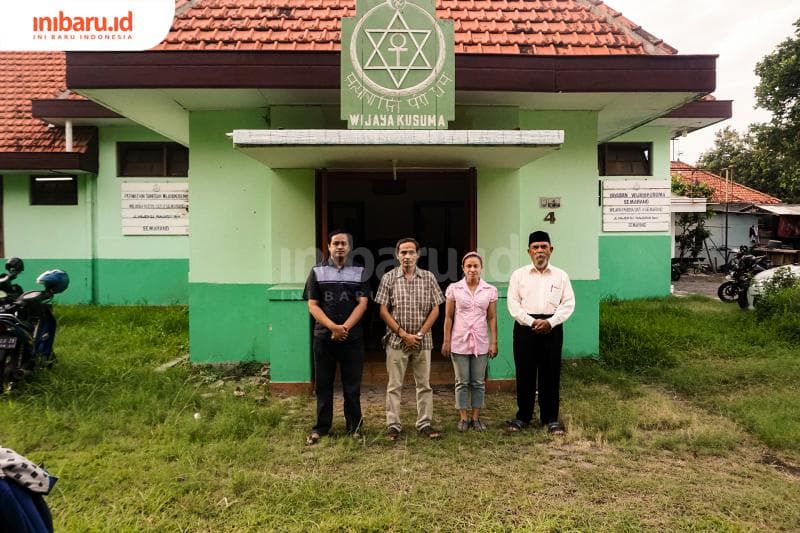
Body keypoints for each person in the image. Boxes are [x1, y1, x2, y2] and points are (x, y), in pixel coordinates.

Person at [375, 237, 445, 441]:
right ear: (397, 255)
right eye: (403, 252)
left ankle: (424, 423)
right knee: (394, 385)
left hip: (423, 341)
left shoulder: (429, 277)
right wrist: (403, 334)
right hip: (396, 341)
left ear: (418, 254)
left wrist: (420, 334)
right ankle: (393, 425)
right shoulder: (389, 278)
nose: (407, 256)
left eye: (411, 252)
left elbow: (436, 308)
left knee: (424, 385)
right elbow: (382, 310)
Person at [303, 230, 369, 445]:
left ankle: (354, 427)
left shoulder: (360, 271)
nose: (340, 247)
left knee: (352, 387)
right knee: (323, 385)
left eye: (344, 243)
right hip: (324, 338)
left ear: (349, 248)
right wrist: (332, 327)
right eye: (336, 243)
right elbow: (312, 305)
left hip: (352, 339)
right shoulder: (317, 272)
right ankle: (321, 428)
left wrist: (345, 328)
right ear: (329, 247)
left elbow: (363, 303)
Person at [506, 231, 575, 435]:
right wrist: (531, 321)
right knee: (524, 372)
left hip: (551, 329)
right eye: (535, 247)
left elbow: (568, 303)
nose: (539, 251)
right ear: (529, 252)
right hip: (525, 328)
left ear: (551, 250)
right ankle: (523, 417)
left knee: (550, 373)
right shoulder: (519, 275)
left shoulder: (561, 276)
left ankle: (550, 419)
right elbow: (513, 304)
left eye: (543, 247)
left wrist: (550, 322)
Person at [441, 251, 498, 432]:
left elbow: (492, 318)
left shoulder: (489, 290)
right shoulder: (454, 289)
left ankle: (476, 417)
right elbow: (448, 317)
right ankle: (463, 418)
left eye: (476, 266)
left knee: (478, 382)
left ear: (481, 268)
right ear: (463, 269)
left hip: (481, 341)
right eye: (469, 266)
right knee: (462, 381)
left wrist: (494, 342)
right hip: (459, 341)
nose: (472, 269)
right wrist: (446, 341)